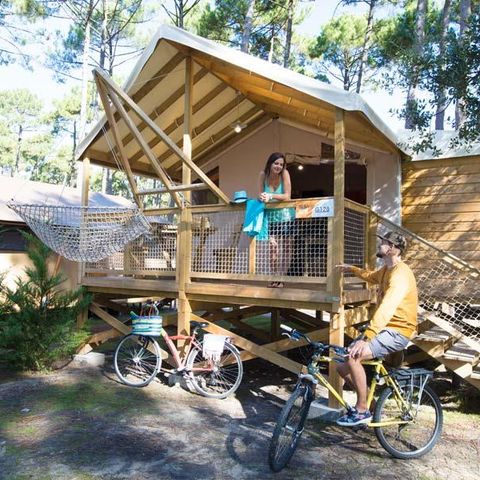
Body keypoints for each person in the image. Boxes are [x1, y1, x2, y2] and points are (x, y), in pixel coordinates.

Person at [335, 231, 418, 426]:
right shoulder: (386, 270)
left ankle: (361, 409)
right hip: (385, 328)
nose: (380, 244)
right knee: (341, 367)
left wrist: (367, 337)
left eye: (384, 242)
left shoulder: (400, 274)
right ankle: (371, 405)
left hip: (398, 330)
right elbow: (371, 276)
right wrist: (351, 269)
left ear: (393, 249)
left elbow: (387, 307)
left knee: (355, 356)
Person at [258, 152, 295, 288]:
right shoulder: (263, 175)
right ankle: (274, 277)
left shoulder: (285, 174)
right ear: (270, 163)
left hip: (286, 215)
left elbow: (287, 196)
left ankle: (282, 278)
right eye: (276, 163)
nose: (278, 166)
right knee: (273, 248)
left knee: (286, 247)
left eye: (281, 164)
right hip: (271, 217)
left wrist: (271, 195)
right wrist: (263, 197)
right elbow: (261, 193)